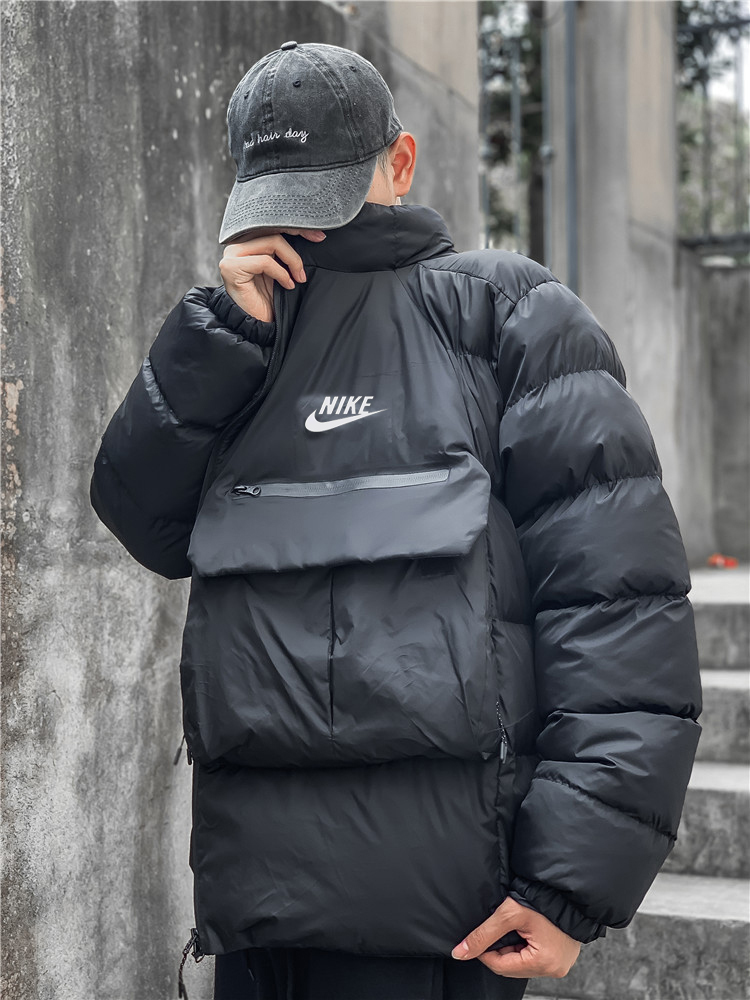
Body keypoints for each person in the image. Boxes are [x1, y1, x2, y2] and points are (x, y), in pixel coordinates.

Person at [90, 41, 702, 1000]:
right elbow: (147, 523)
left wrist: (572, 884)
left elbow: (620, 615)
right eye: (283, 197)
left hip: (449, 932)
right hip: (263, 918)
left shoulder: (511, 320)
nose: (307, 224)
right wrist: (218, 341)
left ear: (402, 161)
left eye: (328, 192)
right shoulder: (239, 335)